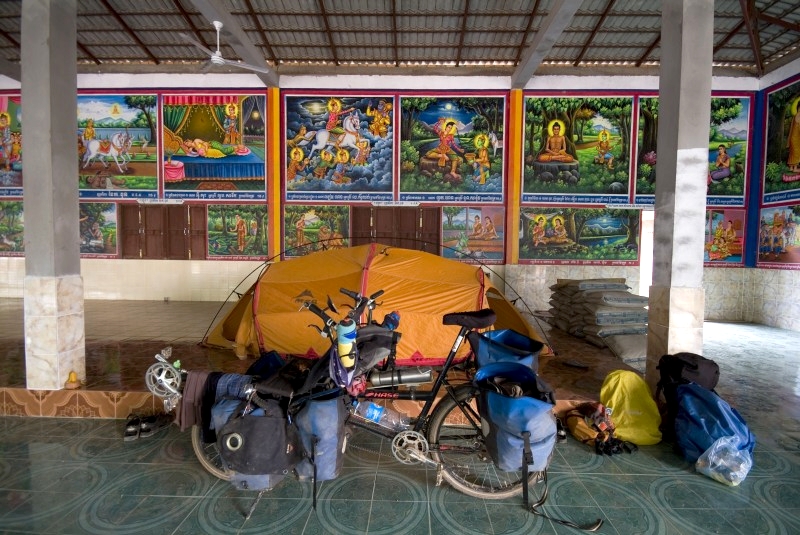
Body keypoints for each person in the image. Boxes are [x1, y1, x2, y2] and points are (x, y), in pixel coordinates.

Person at [788, 107, 800, 172]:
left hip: (793, 137)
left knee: (792, 152)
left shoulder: (795, 116)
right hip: (796, 138)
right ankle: (795, 168)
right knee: (796, 152)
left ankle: (791, 168)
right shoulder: (798, 116)